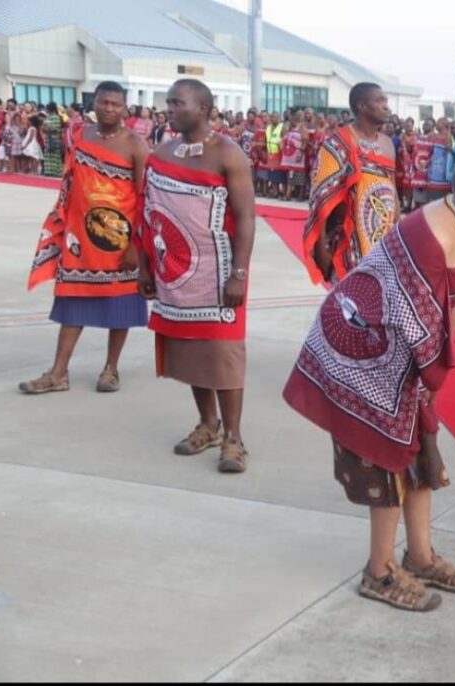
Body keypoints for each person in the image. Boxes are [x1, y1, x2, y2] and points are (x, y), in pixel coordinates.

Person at [283, 144, 455, 612]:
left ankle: (419, 556)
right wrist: (432, 375)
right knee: (387, 457)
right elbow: (413, 322)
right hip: (363, 351)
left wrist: (435, 376)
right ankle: (379, 572)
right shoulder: (429, 238)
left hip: (403, 353)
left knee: (420, 455)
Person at [136, 79, 256, 474]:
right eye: (168, 101)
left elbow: (247, 217)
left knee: (224, 355)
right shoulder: (162, 152)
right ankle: (208, 424)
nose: (169, 107)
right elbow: (150, 211)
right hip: (176, 273)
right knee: (190, 350)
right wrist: (146, 265)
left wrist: (239, 273)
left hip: (221, 274)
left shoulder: (228, 153)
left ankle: (234, 438)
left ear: (204, 108)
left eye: (178, 102)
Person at [22, 81, 150, 395]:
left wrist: (136, 243)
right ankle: (58, 372)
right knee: (71, 304)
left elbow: (146, 197)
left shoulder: (136, 144)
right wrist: (62, 223)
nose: (109, 109)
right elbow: (70, 184)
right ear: (95, 103)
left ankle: (110, 369)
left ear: (125, 108)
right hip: (79, 240)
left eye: (115, 104)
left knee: (121, 305)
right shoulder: (81, 136)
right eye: (104, 103)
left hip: (119, 242)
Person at [303, 83, 397, 285]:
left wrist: (395, 239)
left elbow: (393, 192)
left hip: (383, 244)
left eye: (386, 101)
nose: (386, 106)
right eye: (380, 101)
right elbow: (321, 199)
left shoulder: (388, 144)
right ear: (362, 106)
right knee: (350, 311)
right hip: (348, 245)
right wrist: (321, 250)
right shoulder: (338, 142)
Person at [41, 103, 65, 176]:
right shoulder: (48, 117)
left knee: (54, 155)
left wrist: (46, 127)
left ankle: (56, 172)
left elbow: (55, 129)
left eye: (47, 108)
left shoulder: (56, 118)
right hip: (48, 139)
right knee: (48, 155)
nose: (46, 110)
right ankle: (49, 171)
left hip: (54, 139)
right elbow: (44, 128)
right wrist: (45, 128)